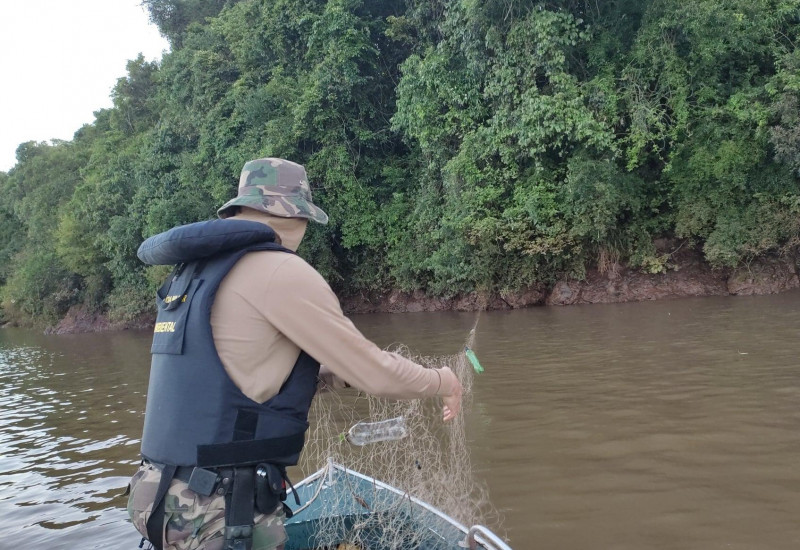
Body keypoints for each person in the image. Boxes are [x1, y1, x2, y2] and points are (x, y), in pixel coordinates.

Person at [126, 158, 463, 550]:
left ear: (239, 207)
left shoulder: (194, 273)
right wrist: (444, 380)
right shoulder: (278, 270)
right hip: (216, 507)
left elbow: (243, 377)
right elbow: (377, 374)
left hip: (154, 495)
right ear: (295, 215)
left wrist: (338, 372)